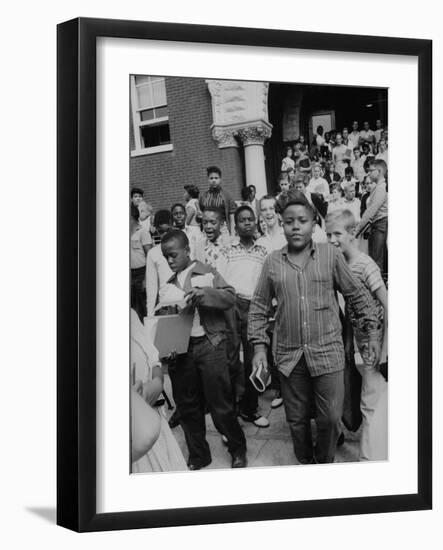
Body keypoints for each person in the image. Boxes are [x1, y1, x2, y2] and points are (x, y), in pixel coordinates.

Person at [248, 194, 380, 464]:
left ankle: (325, 462)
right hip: (289, 356)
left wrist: (373, 334)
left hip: (327, 352)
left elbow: (357, 295)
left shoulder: (330, 255)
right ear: (281, 225)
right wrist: (259, 348)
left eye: (302, 221)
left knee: (330, 418)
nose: (295, 226)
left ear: (312, 224)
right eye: (289, 222)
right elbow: (259, 307)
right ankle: (306, 463)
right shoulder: (272, 262)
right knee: (296, 420)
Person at [161, 229, 247, 469]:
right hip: (182, 351)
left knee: (221, 405)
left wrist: (204, 294)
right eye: (165, 256)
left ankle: (237, 449)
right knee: (188, 407)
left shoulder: (206, 271)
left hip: (210, 345)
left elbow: (230, 297)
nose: (170, 260)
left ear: (187, 250)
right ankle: (199, 455)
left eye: (174, 255)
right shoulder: (168, 285)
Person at [325, 210, 388, 460]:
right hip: (359, 342)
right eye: (329, 234)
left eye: (338, 234)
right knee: (366, 400)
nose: (332, 240)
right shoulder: (343, 264)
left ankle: (368, 459)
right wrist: (349, 343)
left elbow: (387, 302)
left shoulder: (365, 264)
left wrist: (385, 351)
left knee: (371, 402)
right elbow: (351, 308)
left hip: (375, 342)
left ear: (352, 234)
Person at [225, 206, 269, 427]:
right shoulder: (228, 249)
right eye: (242, 220)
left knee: (254, 358)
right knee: (232, 359)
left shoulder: (263, 250)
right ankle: (232, 410)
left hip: (254, 307)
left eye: (250, 219)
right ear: (236, 225)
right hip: (232, 305)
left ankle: (250, 409)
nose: (247, 223)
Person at [130, 309, 187, 472]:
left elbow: (154, 359)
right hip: (136, 437)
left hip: (158, 423)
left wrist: (157, 382)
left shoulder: (132, 314)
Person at [355, 159, 388, 279]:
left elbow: (371, 212)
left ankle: (378, 295)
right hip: (376, 225)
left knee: (376, 263)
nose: (368, 173)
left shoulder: (381, 188)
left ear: (378, 171)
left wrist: (358, 229)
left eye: (371, 171)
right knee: (375, 260)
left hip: (380, 225)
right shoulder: (377, 188)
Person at [145, 209, 173, 317]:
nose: (165, 235)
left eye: (168, 230)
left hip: (185, 304)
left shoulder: (183, 246)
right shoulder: (153, 253)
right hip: (165, 306)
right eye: (161, 231)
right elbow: (151, 285)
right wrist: (150, 314)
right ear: (156, 230)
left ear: (172, 225)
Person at [199, 166, 237, 236]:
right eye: (211, 178)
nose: (214, 180)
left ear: (220, 179)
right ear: (208, 179)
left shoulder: (227, 195)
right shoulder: (203, 196)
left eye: (216, 178)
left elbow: (232, 217)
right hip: (207, 229)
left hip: (223, 228)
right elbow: (201, 213)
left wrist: (233, 234)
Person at [131, 207, 152, 321]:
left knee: (144, 306)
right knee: (133, 308)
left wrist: (146, 279)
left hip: (141, 273)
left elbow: (150, 255)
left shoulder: (143, 231)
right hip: (130, 274)